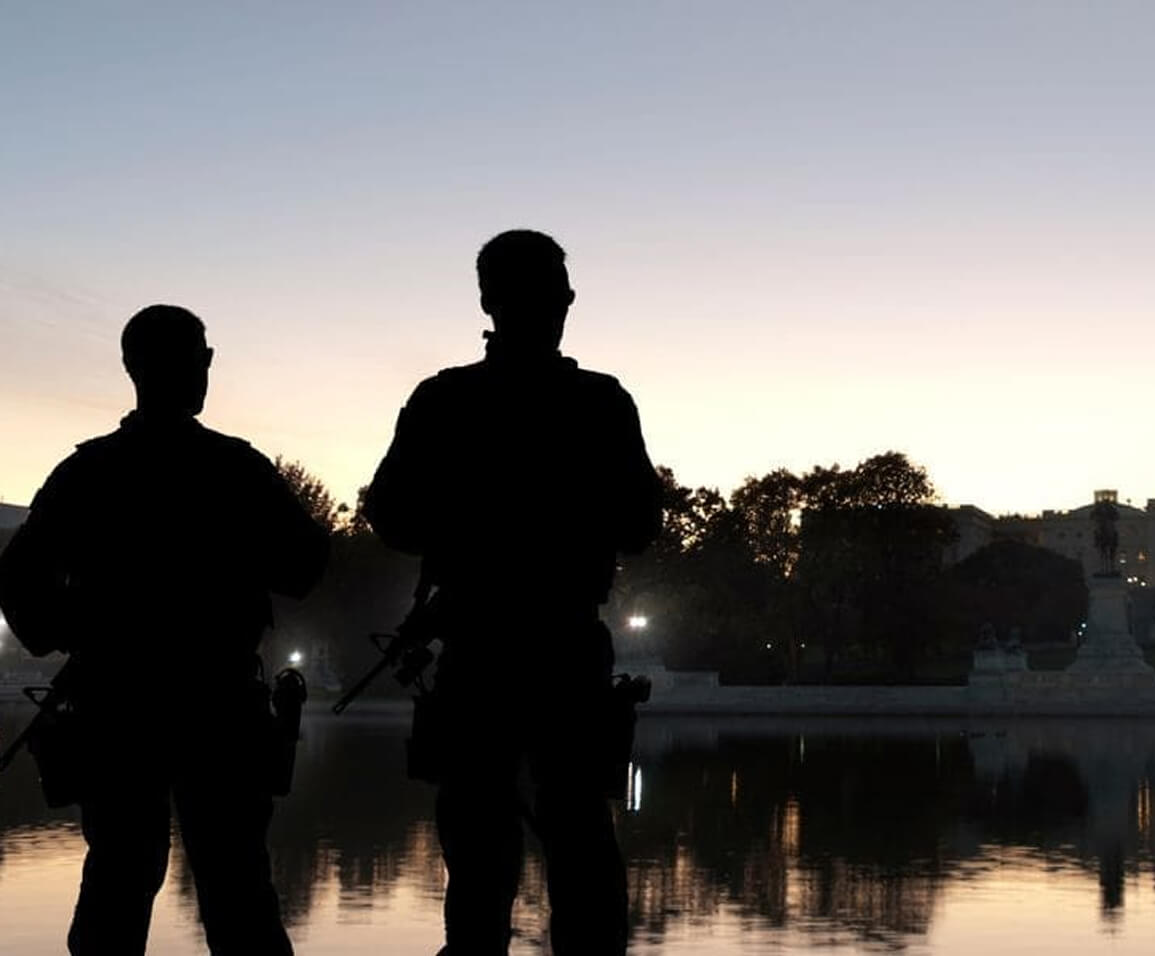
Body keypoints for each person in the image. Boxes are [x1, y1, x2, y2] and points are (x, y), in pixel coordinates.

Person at [364, 229, 662, 954]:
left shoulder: (444, 401)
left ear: (486, 302)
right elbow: (641, 524)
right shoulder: (599, 403)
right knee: (581, 857)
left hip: (482, 654)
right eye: (553, 292)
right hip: (560, 652)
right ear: (561, 302)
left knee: (479, 870)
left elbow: (391, 515)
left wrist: (467, 526)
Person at [0, 305, 330, 955]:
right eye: (198, 354)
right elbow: (306, 566)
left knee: (117, 888)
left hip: (118, 708)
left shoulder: (87, 474)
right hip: (217, 709)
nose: (205, 366)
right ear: (177, 366)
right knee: (237, 893)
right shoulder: (235, 469)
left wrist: (78, 632)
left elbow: (18, 580)